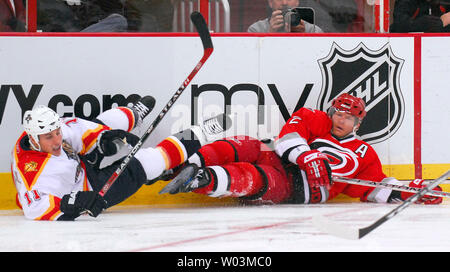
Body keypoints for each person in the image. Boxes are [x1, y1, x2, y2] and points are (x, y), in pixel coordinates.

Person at [161, 93, 443, 206]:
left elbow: (372, 188)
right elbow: (286, 139)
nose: (340, 120)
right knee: (245, 143)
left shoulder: (363, 153)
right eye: (338, 114)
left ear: (358, 123)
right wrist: (307, 155)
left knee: (253, 177)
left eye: (348, 118)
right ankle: (185, 166)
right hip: (279, 156)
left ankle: (202, 179)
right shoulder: (315, 119)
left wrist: (412, 191)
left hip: (298, 186)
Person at [11, 96, 230, 221]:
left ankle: (132, 114)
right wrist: (76, 202)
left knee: (100, 124)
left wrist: (103, 139)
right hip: (93, 190)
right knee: (145, 162)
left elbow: (79, 129)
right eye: (49, 137)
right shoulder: (32, 172)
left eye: (57, 133)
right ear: (34, 138)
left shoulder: (50, 133)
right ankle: (199, 133)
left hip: (80, 166)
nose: (57, 140)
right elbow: (33, 207)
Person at [247, 0, 324, 33]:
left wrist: (303, 37)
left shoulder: (312, 30)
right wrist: (270, 34)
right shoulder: (256, 29)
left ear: (297, 2)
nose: (284, 2)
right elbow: (254, 59)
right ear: (270, 2)